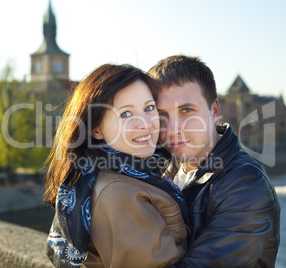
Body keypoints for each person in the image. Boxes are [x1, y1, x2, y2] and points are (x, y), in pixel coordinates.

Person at [44, 64, 189, 268]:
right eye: (125, 114)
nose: (146, 123)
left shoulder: (125, 172)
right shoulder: (118, 194)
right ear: (96, 129)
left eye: (149, 108)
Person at [148, 55, 280, 267]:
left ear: (215, 112)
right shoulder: (160, 167)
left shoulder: (246, 183)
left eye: (186, 110)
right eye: (161, 115)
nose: (173, 129)